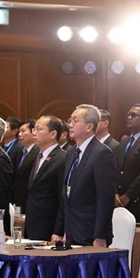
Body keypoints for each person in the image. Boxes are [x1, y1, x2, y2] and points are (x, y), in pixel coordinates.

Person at [53, 104, 116, 246]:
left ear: (89, 127)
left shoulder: (101, 153)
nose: (70, 125)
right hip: (71, 232)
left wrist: (100, 235)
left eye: (75, 121)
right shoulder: (71, 152)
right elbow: (66, 195)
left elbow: (105, 198)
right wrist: (60, 230)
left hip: (90, 233)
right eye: (70, 120)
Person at [23, 116, 66, 240]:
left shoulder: (62, 158)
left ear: (52, 134)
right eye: (34, 129)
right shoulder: (38, 155)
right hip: (33, 223)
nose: (34, 132)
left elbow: (62, 198)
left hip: (49, 225)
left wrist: (59, 230)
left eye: (38, 129)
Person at [12, 119, 38, 211]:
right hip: (17, 200)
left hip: (30, 201)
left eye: (23, 131)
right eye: (19, 131)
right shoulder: (19, 151)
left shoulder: (38, 153)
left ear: (33, 132)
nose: (19, 134)